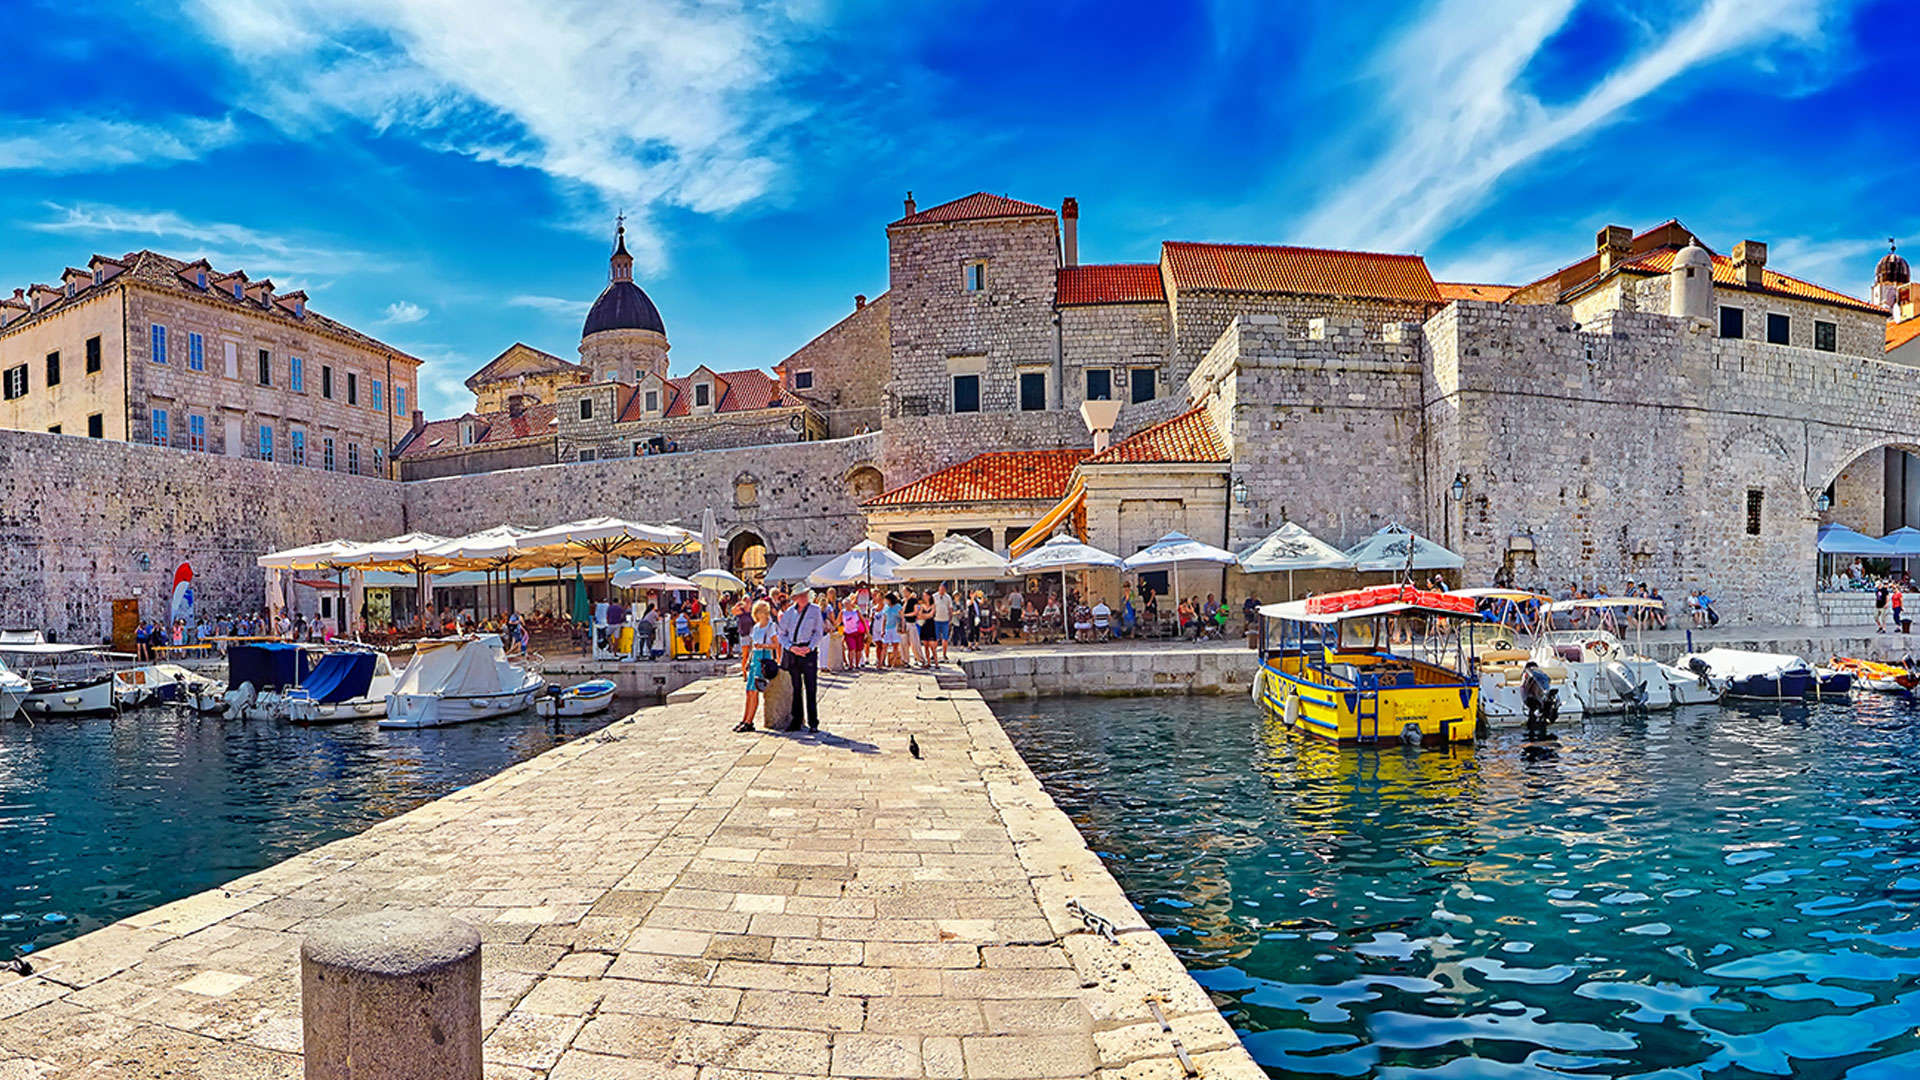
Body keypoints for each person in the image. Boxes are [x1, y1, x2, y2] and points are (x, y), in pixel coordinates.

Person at [776, 587, 827, 731]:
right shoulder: (789, 613)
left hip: (808, 652)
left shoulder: (815, 610)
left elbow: (818, 632)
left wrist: (810, 647)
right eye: (801, 595)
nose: (804, 597)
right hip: (793, 651)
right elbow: (781, 633)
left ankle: (813, 722)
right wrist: (791, 647)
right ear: (795, 598)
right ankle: (796, 720)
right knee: (796, 688)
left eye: (806, 595)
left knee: (811, 688)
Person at [736, 598, 781, 732]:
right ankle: (745, 719)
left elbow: (776, 644)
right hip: (755, 658)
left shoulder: (770, 626)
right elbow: (752, 646)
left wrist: (763, 646)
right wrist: (747, 663)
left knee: (754, 690)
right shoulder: (755, 627)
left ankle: (750, 721)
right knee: (748, 691)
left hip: (763, 657)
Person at [932, 583, 954, 662]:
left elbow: (950, 608)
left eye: (943, 589)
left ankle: (944, 654)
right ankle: (934, 654)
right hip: (936, 620)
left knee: (945, 638)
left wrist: (950, 619)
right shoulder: (934, 596)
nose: (941, 590)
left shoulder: (948, 597)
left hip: (945, 620)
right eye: (940, 589)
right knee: (936, 638)